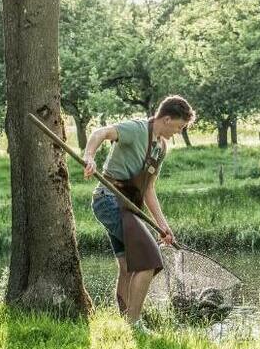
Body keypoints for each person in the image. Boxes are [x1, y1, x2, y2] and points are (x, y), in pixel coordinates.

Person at [82, 95, 195, 331]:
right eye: (179, 127)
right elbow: (100, 133)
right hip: (108, 200)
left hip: (130, 206)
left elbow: (149, 190)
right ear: (166, 119)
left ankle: (124, 320)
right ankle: (134, 324)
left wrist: (163, 226)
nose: (178, 132)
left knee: (126, 266)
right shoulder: (135, 129)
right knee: (149, 261)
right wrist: (89, 156)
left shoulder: (161, 147)